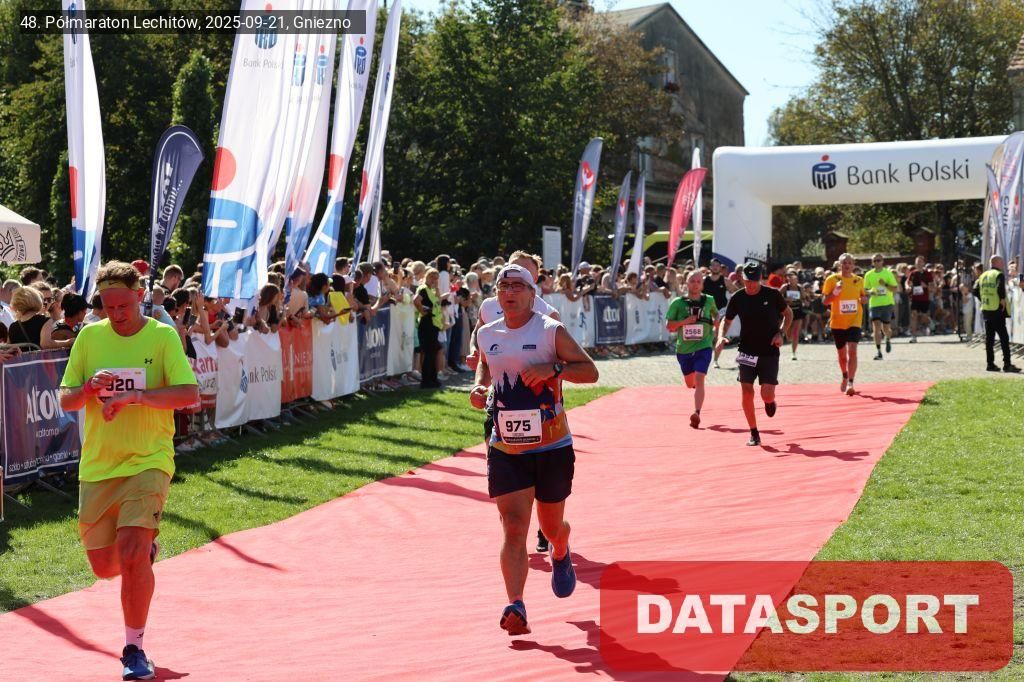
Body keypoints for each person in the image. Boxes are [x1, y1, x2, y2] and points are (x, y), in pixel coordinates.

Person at [59, 261, 199, 681]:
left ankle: (134, 649)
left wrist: (137, 396)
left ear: (139, 296)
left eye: (123, 305)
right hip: (99, 465)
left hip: (149, 460)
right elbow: (66, 398)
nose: (116, 313)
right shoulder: (89, 337)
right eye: (108, 306)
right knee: (105, 566)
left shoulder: (161, 336)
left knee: (133, 552)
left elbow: (188, 393)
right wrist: (88, 388)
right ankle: (142, 556)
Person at [469, 264, 598, 636]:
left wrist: (553, 369)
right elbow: (486, 368)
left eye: (517, 286)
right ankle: (516, 605)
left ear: (531, 294)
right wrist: (479, 388)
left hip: (552, 445)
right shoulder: (487, 334)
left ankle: (561, 549)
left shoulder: (549, 330)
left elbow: (590, 372)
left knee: (551, 526)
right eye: (503, 286)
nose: (509, 292)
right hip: (506, 446)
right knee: (513, 527)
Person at [467, 251, 560, 553]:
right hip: (500, 405)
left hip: (538, 406)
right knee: (502, 472)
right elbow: (479, 340)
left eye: (523, 275)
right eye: (508, 275)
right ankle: (513, 531)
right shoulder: (489, 306)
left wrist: (552, 374)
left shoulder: (548, 314)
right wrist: (479, 379)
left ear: (534, 281)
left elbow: (565, 362)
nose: (513, 280)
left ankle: (547, 528)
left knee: (540, 477)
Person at [715, 262, 791, 447]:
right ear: (742, 279)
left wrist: (781, 333)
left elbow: (788, 314)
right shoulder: (738, 297)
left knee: (766, 394)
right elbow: (727, 320)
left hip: (769, 350)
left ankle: (770, 401)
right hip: (746, 350)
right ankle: (754, 432)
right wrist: (721, 336)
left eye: (754, 281)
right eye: (747, 281)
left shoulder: (772, 294)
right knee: (747, 392)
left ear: (761, 279)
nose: (750, 285)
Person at [666, 271, 717, 428]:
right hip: (684, 350)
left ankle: (697, 413)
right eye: (692, 281)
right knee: (690, 383)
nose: (695, 284)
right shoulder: (677, 303)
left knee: (700, 379)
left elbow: (716, 314)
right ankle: (694, 387)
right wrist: (685, 321)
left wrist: (716, 323)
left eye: (698, 281)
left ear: (702, 285)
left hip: (704, 346)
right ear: (686, 283)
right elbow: (669, 326)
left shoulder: (709, 300)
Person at [822, 253, 867, 395]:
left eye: (849, 263)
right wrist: (835, 291)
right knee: (842, 356)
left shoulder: (859, 280)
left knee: (852, 350)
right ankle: (845, 375)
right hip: (838, 322)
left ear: (853, 265)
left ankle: (851, 383)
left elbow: (863, 296)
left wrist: (864, 299)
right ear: (839, 265)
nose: (847, 265)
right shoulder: (831, 279)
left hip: (855, 320)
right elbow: (825, 301)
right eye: (844, 263)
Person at [974, 255, 1021, 373]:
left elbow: (975, 289)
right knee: (1004, 338)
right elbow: (1000, 287)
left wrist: (983, 299)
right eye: (1001, 262)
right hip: (997, 309)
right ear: (997, 263)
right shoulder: (998, 274)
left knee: (989, 339)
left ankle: (990, 364)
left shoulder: (983, 275)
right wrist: (1002, 299)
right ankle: (1007, 364)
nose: (1003, 264)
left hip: (986, 309)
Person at [863, 254, 898, 360]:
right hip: (874, 304)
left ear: (883, 261)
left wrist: (885, 284)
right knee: (876, 327)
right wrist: (870, 292)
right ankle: (878, 351)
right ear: (872, 262)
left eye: (878, 260)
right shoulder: (869, 274)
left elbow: (895, 289)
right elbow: (865, 289)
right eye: (874, 261)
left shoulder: (888, 273)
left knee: (886, 328)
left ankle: (887, 338)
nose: (876, 262)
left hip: (887, 303)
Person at [414, 268, 443, 388]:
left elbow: (437, 304)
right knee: (428, 353)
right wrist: (422, 311)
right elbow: (416, 300)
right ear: (426, 277)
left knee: (433, 352)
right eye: (432, 277)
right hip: (427, 323)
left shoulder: (432, 290)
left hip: (433, 324)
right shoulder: (423, 289)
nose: (434, 280)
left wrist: (437, 292)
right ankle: (426, 381)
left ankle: (432, 379)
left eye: (436, 278)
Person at [703, 259, 730, 368]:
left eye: (717, 265)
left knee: (720, 335)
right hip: (707, 311)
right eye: (713, 265)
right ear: (710, 267)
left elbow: (737, 292)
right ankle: (703, 358)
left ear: (720, 268)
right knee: (707, 336)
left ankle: (715, 360)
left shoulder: (725, 281)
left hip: (721, 311)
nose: (715, 267)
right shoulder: (704, 280)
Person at [779, 270, 805, 360]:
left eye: (794, 278)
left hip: (798, 312)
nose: (793, 280)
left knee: (796, 333)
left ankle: (794, 353)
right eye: (790, 278)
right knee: (789, 336)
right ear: (788, 279)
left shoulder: (800, 287)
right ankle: (789, 339)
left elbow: (804, 298)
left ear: (797, 279)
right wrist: (786, 299)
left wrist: (803, 299)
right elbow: (777, 297)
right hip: (787, 312)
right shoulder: (785, 287)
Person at [906, 256, 932, 342]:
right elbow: (908, 283)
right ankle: (913, 336)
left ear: (923, 263)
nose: (918, 263)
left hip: (924, 298)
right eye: (917, 262)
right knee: (914, 315)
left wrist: (926, 286)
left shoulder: (928, 273)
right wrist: (908, 287)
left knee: (924, 316)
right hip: (915, 298)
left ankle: (928, 322)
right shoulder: (913, 273)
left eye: (920, 262)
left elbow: (932, 287)